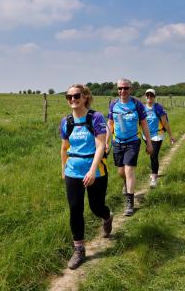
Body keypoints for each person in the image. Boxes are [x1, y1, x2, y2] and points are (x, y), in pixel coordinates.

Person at [60, 84, 113, 270]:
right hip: (73, 170)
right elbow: (64, 148)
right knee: (75, 209)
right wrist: (63, 169)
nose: (72, 100)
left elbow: (100, 146)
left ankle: (107, 217)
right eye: (69, 97)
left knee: (96, 206)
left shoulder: (95, 117)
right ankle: (79, 249)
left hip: (95, 170)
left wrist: (91, 170)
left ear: (84, 97)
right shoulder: (66, 121)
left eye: (76, 96)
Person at [107, 78, 153, 216]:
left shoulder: (137, 104)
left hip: (133, 141)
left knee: (129, 170)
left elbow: (144, 124)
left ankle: (130, 203)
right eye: (120, 88)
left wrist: (149, 143)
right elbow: (110, 124)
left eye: (126, 88)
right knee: (121, 172)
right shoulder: (113, 104)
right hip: (117, 142)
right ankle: (126, 183)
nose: (123, 91)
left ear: (130, 89)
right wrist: (106, 142)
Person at [143, 88, 176, 188]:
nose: (149, 97)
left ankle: (154, 178)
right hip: (146, 136)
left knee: (153, 155)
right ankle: (155, 171)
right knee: (152, 155)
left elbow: (165, 123)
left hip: (158, 135)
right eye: (147, 95)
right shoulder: (142, 108)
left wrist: (171, 135)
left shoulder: (158, 108)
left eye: (151, 95)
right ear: (145, 96)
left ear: (154, 97)